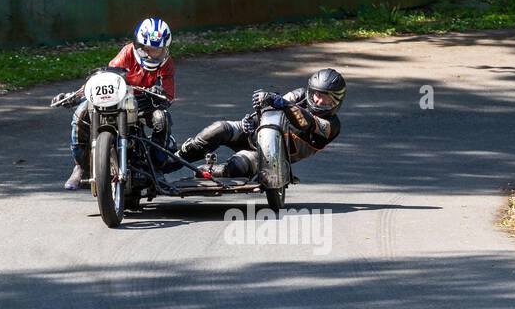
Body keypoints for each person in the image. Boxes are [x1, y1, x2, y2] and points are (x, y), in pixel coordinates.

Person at [66, 16, 176, 189]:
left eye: (157, 50)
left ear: (165, 49)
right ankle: (81, 166)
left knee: (162, 118)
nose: (151, 53)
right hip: (120, 97)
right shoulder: (127, 53)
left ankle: (157, 168)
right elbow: (106, 77)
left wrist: (159, 93)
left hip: (146, 100)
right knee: (80, 113)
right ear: (138, 45)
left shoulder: (167, 63)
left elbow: (168, 96)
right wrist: (76, 95)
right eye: (147, 48)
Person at [176, 68, 346, 178]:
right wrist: (253, 118)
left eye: (324, 97)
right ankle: (173, 160)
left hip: (272, 156)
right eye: (316, 93)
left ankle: (209, 171)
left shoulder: (332, 126)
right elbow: (275, 104)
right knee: (219, 129)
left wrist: (282, 103)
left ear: (336, 100)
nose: (317, 99)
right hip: (256, 133)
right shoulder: (300, 95)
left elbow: (304, 122)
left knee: (238, 166)